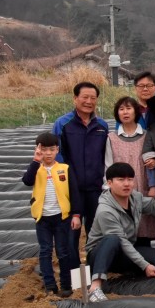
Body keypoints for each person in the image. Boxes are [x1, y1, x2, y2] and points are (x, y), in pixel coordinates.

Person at [84, 162, 155, 303]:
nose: (126, 184)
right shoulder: (105, 210)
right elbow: (121, 240)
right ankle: (95, 287)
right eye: (121, 180)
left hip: (124, 252)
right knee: (112, 239)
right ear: (109, 183)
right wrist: (144, 265)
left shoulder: (135, 198)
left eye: (130, 179)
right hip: (100, 255)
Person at [22, 132, 80, 296]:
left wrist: (76, 215)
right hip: (43, 219)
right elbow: (27, 181)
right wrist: (35, 161)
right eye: (44, 150)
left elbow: (74, 193)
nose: (48, 153)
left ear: (57, 150)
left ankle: (66, 285)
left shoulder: (64, 169)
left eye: (51, 149)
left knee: (63, 251)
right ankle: (50, 285)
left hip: (62, 217)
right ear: (38, 150)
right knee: (45, 251)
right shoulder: (36, 169)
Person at [53, 81, 109, 247]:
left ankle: (95, 268)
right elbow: (58, 154)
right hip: (71, 188)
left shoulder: (102, 126)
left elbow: (105, 155)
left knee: (96, 231)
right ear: (75, 98)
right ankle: (72, 270)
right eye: (85, 97)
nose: (89, 101)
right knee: (71, 232)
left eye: (93, 98)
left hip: (95, 187)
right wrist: (66, 181)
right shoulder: (63, 124)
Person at [104, 96, 155, 245]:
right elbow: (108, 165)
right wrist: (108, 188)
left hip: (142, 184)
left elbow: (152, 159)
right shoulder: (111, 138)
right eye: (121, 109)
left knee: (144, 227)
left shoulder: (147, 135)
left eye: (128, 108)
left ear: (136, 112)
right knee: (123, 228)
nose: (125, 112)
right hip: (120, 189)